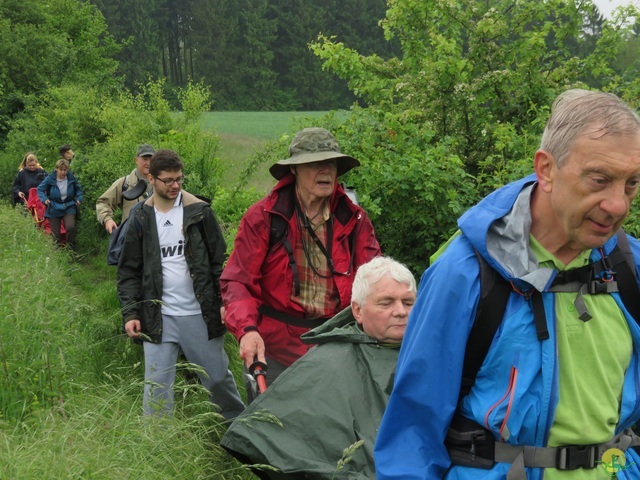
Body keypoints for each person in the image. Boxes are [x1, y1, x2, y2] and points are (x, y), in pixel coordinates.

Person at [375, 89, 640, 480]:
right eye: (599, 180)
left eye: (631, 184)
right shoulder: (464, 275)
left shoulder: (630, 268)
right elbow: (412, 434)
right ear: (546, 170)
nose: (618, 205)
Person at [220, 127, 381, 399]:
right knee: (272, 435)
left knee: (333, 432)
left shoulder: (353, 218)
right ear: (294, 169)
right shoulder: (264, 217)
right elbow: (237, 282)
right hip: (276, 351)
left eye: (330, 163)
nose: (326, 171)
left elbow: (375, 281)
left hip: (335, 347)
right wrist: (247, 331)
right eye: (315, 164)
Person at [221, 256, 417, 479]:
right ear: (358, 310)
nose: (401, 311)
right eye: (386, 302)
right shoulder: (328, 361)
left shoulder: (435, 354)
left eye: (408, 302)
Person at [117, 149, 244, 419]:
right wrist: (130, 312)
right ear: (151, 179)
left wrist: (223, 303)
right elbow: (129, 269)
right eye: (168, 180)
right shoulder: (140, 217)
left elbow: (219, 263)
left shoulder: (199, 212)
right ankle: (158, 448)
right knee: (157, 390)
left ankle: (242, 434)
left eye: (179, 179)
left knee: (218, 380)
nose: (175, 185)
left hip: (200, 314)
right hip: (158, 317)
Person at [96, 144, 155, 234]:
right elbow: (103, 202)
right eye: (145, 159)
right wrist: (107, 220)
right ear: (136, 160)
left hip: (156, 240)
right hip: (131, 239)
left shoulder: (161, 183)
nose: (148, 163)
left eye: (151, 159)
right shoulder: (125, 183)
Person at [37, 158, 83, 250]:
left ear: (68, 170)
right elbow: (40, 189)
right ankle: (56, 254)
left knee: (70, 227)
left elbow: (78, 189)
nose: (63, 172)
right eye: (61, 170)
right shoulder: (50, 178)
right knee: (55, 234)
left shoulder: (71, 177)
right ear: (56, 169)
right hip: (54, 207)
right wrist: (45, 199)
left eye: (65, 170)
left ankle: (71, 249)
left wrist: (79, 198)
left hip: (69, 205)